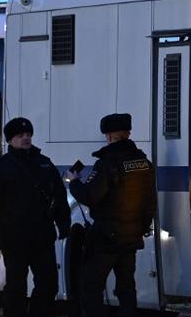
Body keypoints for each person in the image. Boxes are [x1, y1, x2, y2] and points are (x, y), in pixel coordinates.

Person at [65, 113, 156, 317]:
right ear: (128, 133)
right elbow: (150, 201)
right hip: (131, 237)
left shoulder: (107, 163)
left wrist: (74, 182)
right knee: (127, 287)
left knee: (91, 286)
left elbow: (90, 196)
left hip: (106, 237)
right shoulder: (144, 162)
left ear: (108, 136)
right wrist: (141, 227)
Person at [0, 117, 70, 317]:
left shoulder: (44, 163)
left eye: (28, 134)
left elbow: (59, 196)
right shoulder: (1, 168)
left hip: (42, 238)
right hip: (14, 240)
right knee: (16, 288)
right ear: (10, 140)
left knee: (48, 284)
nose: (26, 138)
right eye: (20, 135)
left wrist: (64, 223)